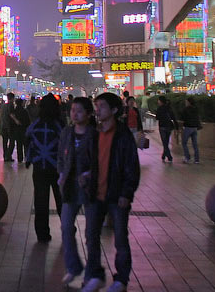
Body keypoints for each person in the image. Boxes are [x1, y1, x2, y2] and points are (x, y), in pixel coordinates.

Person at [79, 93, 140, 292]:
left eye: (102, 106)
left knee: (121, 239)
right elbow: (88, 160)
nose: (97, 110)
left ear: (114, 110)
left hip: (116, 196)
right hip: (95, 195)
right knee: (91, 236)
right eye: (96, 106)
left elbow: (132, 166)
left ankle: (121, 279)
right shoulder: (94, 133)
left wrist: (127, 193)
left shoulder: (123, 135)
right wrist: (85, 175)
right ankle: (95, 275)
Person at [58, 97, 97, 286]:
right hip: (70, 188)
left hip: (91, 189)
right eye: (73, 110)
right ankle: (73, 267)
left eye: (79, 111)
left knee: (91, 233)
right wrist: (61, 175)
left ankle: (91, 274)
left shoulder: (95, 134)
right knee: (66, 227)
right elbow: (60, 156)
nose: (75, 114)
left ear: (89, 114)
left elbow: (102, 161)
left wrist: (89, 174)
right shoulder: (67, 132)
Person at [26, 95, 63, 242]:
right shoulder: (59, 124)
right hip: (57, 168)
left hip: (39, 167)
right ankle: (67, 228)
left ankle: (42, 233)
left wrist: (29, 159)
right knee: (61, 199)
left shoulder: (36, 124)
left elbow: (27, 139)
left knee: (41, 201)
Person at [155, 96, 178, 163]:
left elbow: (157, 118)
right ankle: (164, 155)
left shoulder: (159, 108)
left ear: (160, 101)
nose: (158, 102)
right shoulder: (169, 108)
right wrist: (176, 127)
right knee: (166, 142)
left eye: (158, 100)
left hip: (162, 126)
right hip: (169, 126)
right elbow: (173, 117)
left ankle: (169, 157)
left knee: (164, 143)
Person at [9, 97, 31, 162]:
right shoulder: (24, 111)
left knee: (19, 145)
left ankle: (20, 158)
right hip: (24, 130)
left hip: (16, 130)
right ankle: (26, 157)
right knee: (25, 145)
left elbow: (11, 122)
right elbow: (28, 121)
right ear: (21, 103)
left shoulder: (14, 112)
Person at [180, 98, 201, 164]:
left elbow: (183, 118)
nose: (185, 103)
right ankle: (197, 159)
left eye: (186, 102)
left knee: (184, 142)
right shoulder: (196, 109)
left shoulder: (185, 109)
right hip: (194, 128)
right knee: (195, 144)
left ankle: (187, 157)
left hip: (188, 127)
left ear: (189, 102)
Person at [1, 92, 15, 160]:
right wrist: (16, 120)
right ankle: (8, 155)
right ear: (12, 98)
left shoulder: (3, 106)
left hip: (3, 125)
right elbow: (11, 114)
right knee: (12, 141)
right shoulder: (11, 105)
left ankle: (5, 155)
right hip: (9, 126)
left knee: (5, 142)